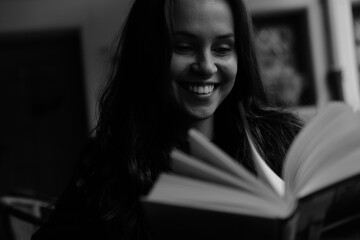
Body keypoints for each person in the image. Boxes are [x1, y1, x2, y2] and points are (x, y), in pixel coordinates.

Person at [32, 0, 303, 239]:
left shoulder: (284, 141)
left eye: (222, 48)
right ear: (147, 52)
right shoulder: (106, 164)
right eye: (184, 47)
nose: (206, 66)